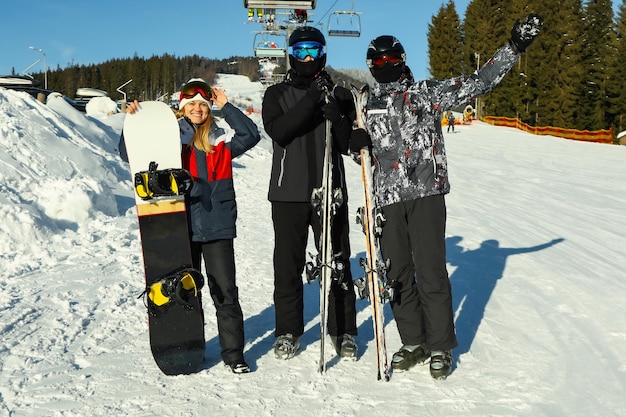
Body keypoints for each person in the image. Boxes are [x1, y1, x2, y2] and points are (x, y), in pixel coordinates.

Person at [349, 15, 543, 379]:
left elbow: (480, 82)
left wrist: (515, 46)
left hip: (425, 193)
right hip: (386, 199)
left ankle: (440, 346)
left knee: (431, 271)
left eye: (391, 60)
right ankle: (414, 341)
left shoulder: (427, 93)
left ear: (403, 60)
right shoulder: (365, 102)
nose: (384, 66)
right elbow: (358, 151)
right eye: (377, 62)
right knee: (397, 274)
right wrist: (354, 141)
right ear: (370, 67)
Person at [121, 78, 261, 374]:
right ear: (182, 109)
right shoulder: (170, 143)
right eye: (191, 104)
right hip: (178, 228)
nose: (197, 109)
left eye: (203, 104)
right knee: (185, 292)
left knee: (224, 292)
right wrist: (132, 121)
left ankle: (233, 354)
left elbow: (251, 135)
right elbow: (130, 154)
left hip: (217, 228)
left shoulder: (220, 143)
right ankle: (188, 345)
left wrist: (227, 106)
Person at [262, 26, 358, 360]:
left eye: (313, 51)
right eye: (300, 50)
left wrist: (338, 117)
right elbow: (280, 132)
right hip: (288, 193)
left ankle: (343, 330)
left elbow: (347, 145)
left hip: (330, 190)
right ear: (290, 54)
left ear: (323, 54)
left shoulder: (340, 94)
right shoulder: (276, 94)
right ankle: (288, 330)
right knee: (287, 264)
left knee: (337, 260)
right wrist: (313, 100)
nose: (306, 57)